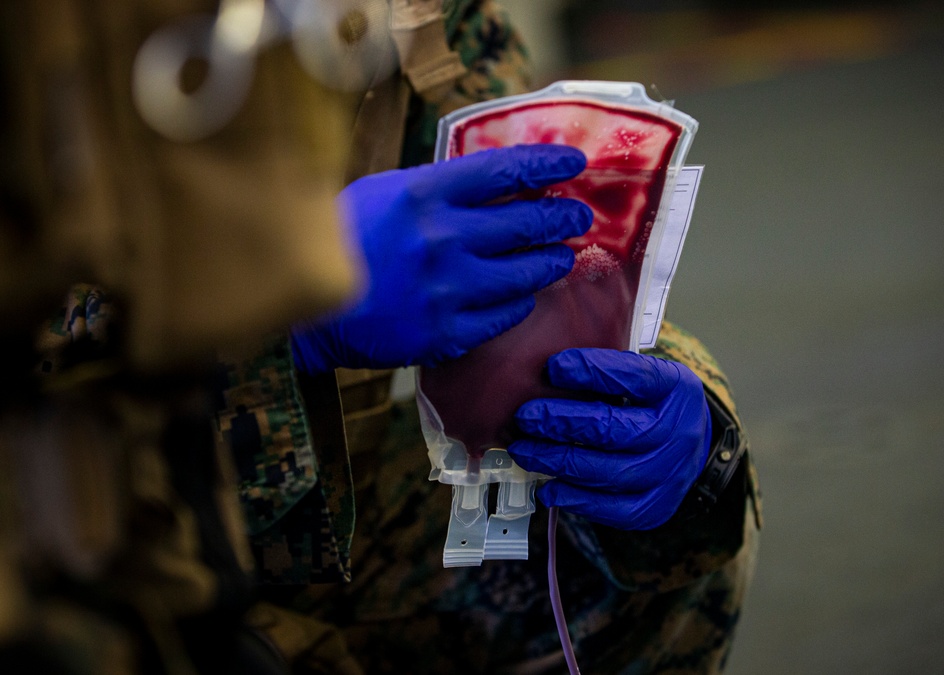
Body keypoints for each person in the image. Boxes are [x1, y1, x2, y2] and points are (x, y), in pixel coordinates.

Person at [0, 1, 588, 673]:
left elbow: (501, 162)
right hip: (61, 561)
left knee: (607, 527)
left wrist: (678, 417)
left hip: (307, 522)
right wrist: (276, 329)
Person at [212, 1, 763, 673]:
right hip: (94, 543)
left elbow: (536, 249)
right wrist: (272, 312)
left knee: (646, 531)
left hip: (307, 509)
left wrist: (692, 432)